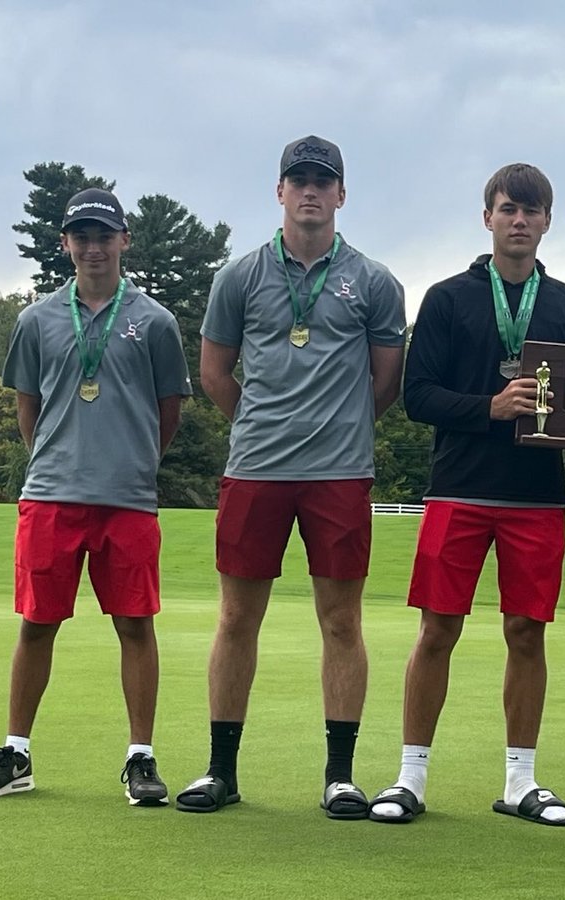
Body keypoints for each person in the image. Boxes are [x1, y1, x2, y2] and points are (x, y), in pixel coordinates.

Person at [175, 136, 406, 818]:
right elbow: (215, 373)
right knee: (237, 617)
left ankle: (339, 775)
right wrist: (260, 425)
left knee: (340, 621)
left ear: (340, 195)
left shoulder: (374, 281)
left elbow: (385, 382)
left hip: (339, 473)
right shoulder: (239, 276)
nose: (310, 191)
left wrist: (335, 428)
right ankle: (221, 771)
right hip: (255, 471)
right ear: (279, 192)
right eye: (297, 180)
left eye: (322, 181)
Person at [367, 163, 565, 828]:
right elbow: (417, 396)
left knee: (527, 633)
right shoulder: (446, 298)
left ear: (548, 221)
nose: (519, 221)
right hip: (458, 490)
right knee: (437, 629)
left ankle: (522, 781)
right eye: (507, 209)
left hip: (536, 498)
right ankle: (410, 777)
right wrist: (490, 407)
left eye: (531, 211)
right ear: (488, 217)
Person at [0, 188, 191, 805]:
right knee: (37, 624)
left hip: (127, 499)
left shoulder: (154, 321)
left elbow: (166, 411)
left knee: (135, 625)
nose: (93, 247)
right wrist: (62, 459)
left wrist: (132, 464)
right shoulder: (37, 318)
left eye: (105, 235)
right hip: (51, 494)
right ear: (65, 243)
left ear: (125, 241)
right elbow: (28, 409)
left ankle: (141, 758)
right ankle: (16, 751)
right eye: (82, 236)